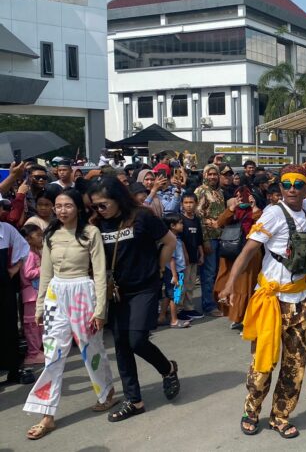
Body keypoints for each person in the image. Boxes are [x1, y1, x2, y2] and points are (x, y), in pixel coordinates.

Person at [219, 155, 306, 439]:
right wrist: (230, 284)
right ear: (279, 187)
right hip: (271, 301)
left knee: (294, 363)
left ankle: (280, 415)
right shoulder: (273, 214)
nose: (292, 189)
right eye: (287, 184)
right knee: (263, 362)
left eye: (298, 184)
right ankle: (252, 409)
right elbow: (248, 251)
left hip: (300, 301)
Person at [23, 189, 116, 440]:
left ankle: (106, 391)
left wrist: (99, 310)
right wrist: (41, 306)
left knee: (91, 347)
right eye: (58, 206)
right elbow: (45, 273)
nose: (62, 210)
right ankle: (47, 415)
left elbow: (99, 273)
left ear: (78, 208)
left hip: (83, 293)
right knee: (53, 355)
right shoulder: (50, 234)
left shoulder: (90, 233)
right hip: (56, 293)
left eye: (68, 206)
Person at [89, 177, 180, 422]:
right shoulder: (96, 223)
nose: (98, 210)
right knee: (120, 344)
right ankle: (134, 400)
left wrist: (159, 268)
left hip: (145, 287)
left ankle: (168, 369)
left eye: (102, 205)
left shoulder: (142, 216)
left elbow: (169, 241)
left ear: (118, 199)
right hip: (116, 291)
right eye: (94, 206)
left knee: (137, 339)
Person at [213, 187, 262, 330]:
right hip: (230, 254)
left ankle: (246, 318)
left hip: (249, 256)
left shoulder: (257, 212)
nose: (242, 199)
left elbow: (261, 225)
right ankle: (235, 316)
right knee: (224, 284)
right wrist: (231, 208)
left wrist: (254, 207)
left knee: (245, 288)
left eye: (245, 196)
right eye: (238, 196)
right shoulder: (233, 210)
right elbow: (219, 223)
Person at [0, 220, 31, 385]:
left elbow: (24, 247)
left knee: (8, 326)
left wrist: (16, 267)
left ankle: (13, 369)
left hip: (4, 286)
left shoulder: (6, 229)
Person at [194, 164, 226, 317]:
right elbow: (198, 217)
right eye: (210, 174)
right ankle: (208, 305)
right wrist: (204, 240)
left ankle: (218, 302)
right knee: (208, 274)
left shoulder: (219, 191)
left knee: (219, 273)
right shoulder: (200, 191)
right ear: (205, 175)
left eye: (215, 174)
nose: (213, 177)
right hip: (209, 238)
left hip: (221, 236)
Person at [19, 224, 44, 366]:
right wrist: (43, 268)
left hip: (35, 293)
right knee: (32, 325)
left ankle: (37, 350)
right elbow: (28, 273)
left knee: (38, 324)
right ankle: (33, 353)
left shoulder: (33, 252)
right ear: (28, 239)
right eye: (38, 235)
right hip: (30, 295)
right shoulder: (29, 253)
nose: (41, 238)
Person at [160, 213, 190, 329]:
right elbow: (171, 259)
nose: (182, 225)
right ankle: (174, 320)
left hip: (177, 271)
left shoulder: (175, 239)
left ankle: (162, 317)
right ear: (172, 225)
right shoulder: (171, 240)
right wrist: (174, 275)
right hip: (175, 272)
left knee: (169, 295)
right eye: (180, 223)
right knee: (175, 296)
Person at [179, 192, 204, 320]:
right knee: (180, 285)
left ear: (196, 204)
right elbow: (180, 239)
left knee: (190, 284)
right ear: (182, 204)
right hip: (182, 261)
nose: (188, 205)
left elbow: (199, 239)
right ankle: (177, 309)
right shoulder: (180, 220)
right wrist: (185, 255)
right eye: (186, 203)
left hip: (194, 258)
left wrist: (201, 254)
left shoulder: (196, 219)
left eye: (191, 202)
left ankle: (188, 308)